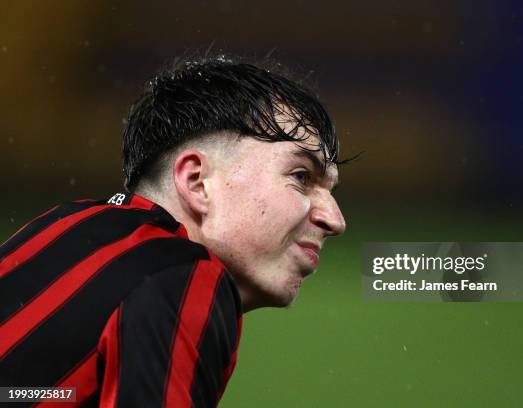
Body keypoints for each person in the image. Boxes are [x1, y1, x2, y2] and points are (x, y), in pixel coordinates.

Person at [0, 55, 346, 407]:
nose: (335, 219)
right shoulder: (182, 274)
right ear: (197, 182)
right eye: (301, 177)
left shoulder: (59, 224)